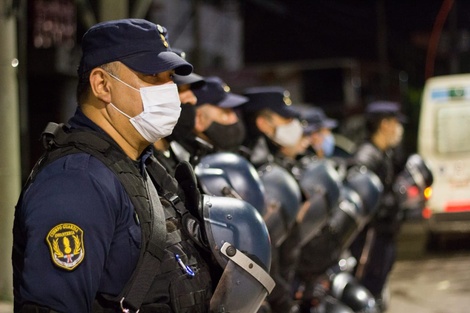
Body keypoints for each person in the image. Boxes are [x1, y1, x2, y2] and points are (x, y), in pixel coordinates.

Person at [12, 19, 216, 313]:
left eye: (170, 77)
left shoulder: (137, 165)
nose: (169, 89)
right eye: (153, 76)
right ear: (102, 85)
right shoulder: (77, 182)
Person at [349, 100, 407, 311]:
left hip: (384, 234)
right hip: (371, 237)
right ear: (384, 124)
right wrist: (391, 202)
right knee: (366, 290)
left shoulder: (383, 153)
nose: (398, 129)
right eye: (395, 123)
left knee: (378, 289)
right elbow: (364, 199)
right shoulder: (366, 157)